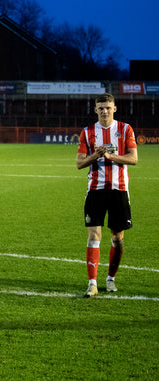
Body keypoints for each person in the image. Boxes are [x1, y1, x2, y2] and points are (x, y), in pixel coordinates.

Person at [76, 92, 137, 298]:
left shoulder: (125, 129)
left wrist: (110, 156)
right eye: (100, 108)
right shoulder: (87, 132)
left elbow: (133, 158)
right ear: (95, 110)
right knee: (94, 235)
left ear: (114, 109)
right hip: (95, 190)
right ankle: (92, 284)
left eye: (108, 107)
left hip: (119, 189)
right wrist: (96, 155)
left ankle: (110, 278)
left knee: (117, 239)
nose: (104, 111)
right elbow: (79, 163)